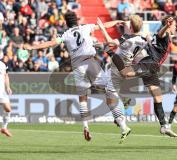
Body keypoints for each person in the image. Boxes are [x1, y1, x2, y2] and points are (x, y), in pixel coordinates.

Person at [24, 11, 131, 143]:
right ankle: (123, 123)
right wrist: (116, 22)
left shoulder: (65, 34)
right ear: (76, 20)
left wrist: (31, 47)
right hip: (91, 62)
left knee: (82, 98)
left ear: (66, 23)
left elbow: (51, 43)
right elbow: (103, 25)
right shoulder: (84, 27)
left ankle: (86, 127)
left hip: (78, 66)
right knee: (109, 89)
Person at [98, 15, 177, 137]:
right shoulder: (164, 34)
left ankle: (164, 126)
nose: (176, 26)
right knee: (125, 73)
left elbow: (152, 38)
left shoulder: (161, 36)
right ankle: (108, 51)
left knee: (158, 97)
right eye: (174, 24)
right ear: (168, 25)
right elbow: (161, 34)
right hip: (149, 64)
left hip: (153, 68)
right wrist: (166, 26)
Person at [0, 60, 12, 137]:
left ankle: (4, 128)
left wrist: (8, 87)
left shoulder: (3, 64)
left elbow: (6, 76)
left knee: (8, 109)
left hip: (2, 91)